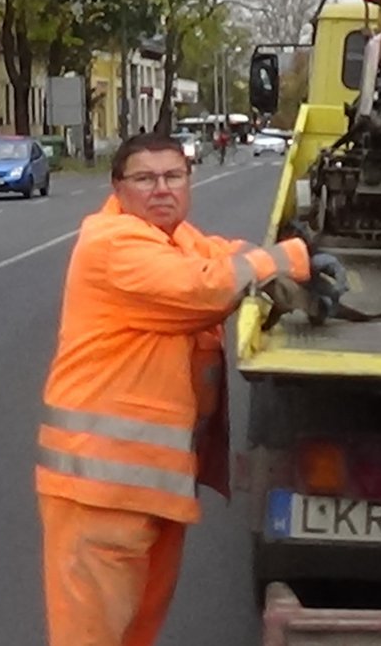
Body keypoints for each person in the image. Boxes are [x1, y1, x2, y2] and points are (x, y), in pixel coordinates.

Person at [36, 131, 343, 646]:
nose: (161, 188)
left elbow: (225, 256)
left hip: (148, 490)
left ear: (188, 181)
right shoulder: (113, 243)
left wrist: (298, 270)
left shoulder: (175, 239)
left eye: (173, 175)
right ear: (117, 189)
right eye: (145, 179)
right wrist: (292, 256)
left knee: (135, 634)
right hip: (97, 492)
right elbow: (204, 287)